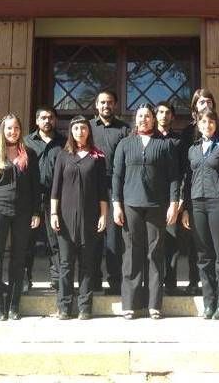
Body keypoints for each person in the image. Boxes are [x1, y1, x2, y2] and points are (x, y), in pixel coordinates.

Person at [112, 103, 180, 320]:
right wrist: (116, 204)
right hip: (130, 205)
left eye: (148, 116)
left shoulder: (165, 145)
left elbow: (174, 177)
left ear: (153, 119)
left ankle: (154, 304)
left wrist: (173, 203)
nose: (144, 119)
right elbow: (117, 176)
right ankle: (130, 303)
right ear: (136, 119)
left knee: (155, 253)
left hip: (157, 206)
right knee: (131, 253)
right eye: (140, 116)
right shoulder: (125, 144)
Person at [0, 113, 41, 320]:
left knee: (18, 257)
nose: (12, 132)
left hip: (23, 211)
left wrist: (36, 211)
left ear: (20, 130)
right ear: (2, 131)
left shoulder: (29, 154)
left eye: (16, 128)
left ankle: (14, 305)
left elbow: (35, 186)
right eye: (8, 128)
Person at [50, 115, 108, 320]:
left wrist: (104, 215)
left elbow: (102, 190)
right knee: (66, 264)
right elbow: (55, 188)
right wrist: (53, 213)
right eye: (76, 129)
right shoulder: (63, 155)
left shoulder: (97, 157)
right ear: (71, 132)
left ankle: (85, 307)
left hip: (90, 217)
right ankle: (64, 307)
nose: (80, 132)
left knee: (87, 263)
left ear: (88, 131)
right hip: (65, 217)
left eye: (83, 128)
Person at [180, 110, 219, 319]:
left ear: (216, 125)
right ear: (198, 124)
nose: (207, 125)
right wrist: (186, 209)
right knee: (203, 256)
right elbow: (188, 180)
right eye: (203, 122)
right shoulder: (193, 150)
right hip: (197, 205)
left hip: (218, 203)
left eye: (211, 122)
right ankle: (209, 303)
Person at [89, 91, 130, 295]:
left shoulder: (124, 129)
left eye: (110, 102)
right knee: (93, 236)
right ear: (96, 105)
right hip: (91, 187)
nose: (106, 105)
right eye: (103, 102)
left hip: (115, 187)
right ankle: (93, 281)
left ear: (115, 105)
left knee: (114, 238)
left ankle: (115, 282)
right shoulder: (87, 127)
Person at [155, 101, 198, 295]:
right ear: (155, 115)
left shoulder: (179, 141)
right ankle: (152, 284)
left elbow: (185, 171)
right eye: (160, 112)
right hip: (151, 198)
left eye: (167, 112)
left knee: (171, 242)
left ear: (172, 116)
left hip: (172, 198)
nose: (164, 115)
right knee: (152, 242)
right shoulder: (147, 138)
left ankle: (170, 284)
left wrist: (181, 198)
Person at [24, 106, 66, 292]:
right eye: (43, 118)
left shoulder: (64, 142)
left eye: (50, 117)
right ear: (37, 121)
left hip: (55, 197)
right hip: (30, 197)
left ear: (55, 120)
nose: (47, 121)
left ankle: (57, 279)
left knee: (55, 240)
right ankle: (24, 279)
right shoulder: (26, 142)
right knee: (27, 240)